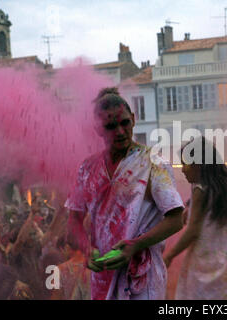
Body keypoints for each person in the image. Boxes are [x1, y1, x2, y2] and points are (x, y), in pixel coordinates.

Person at [65, 87, 184, 300]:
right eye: (110, 126)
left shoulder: (153, 162)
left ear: (134, 119)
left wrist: (134, 245)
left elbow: (176, 220)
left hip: (144, 282)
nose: (120, 132)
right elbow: (73, 222)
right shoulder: (87, 168)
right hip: (102, 280)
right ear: (98, 129)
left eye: (124, 123)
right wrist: (87, 248)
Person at [163, 138, 227, 300]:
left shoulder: (200, 189)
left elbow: (193, 231)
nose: (183, 170)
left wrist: (169, 255)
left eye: (185, 164)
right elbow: (200, 208)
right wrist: (189, 208)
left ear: (199, 164)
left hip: (203, 266)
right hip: (224, 262)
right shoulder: (220, 186)